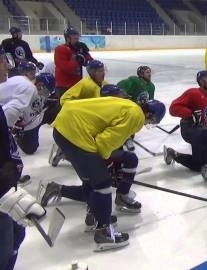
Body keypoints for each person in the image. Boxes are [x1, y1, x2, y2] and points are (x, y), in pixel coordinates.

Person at [47, 94, 164, 251]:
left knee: (91, 180)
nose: (147, 123)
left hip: (65, 126)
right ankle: (104, 233)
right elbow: (104, 143)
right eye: (150, 121)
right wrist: (106, 166)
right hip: (75, 131)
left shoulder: (129, 105)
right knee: (102, 183)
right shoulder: (136, 116)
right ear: (149, 114)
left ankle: (95, 217)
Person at [0, 46, 46, 270]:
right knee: (8, 241)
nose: (6, 66)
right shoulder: (28, 87)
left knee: (16, 234)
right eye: (2, 61)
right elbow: (10, 113)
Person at [164, 71, 207, 184]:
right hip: (190, 129)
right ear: (201, 81)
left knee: (197, 165)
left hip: (205, 133)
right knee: (206, 134)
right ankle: (206, 168)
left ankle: (173, 154)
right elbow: (173, 108)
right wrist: (190, 113)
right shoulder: (193, 93)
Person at [49, 59, 106, 166]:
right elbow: (64, 99)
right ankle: (64, 153)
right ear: (92, 73)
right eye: (99, 71)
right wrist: (80, 109)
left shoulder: (101, 84)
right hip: (76, 118)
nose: (102, 73)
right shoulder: (86, 84)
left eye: (103, 70)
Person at [117, 65, 156, 151]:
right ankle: (127, 138)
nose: (150, 74)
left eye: (150, 72)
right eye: (147, 72)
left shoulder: (151, 86)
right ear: (141, 74)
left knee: (134, 123)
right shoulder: (134, 81)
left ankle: (128, 136)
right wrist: (124, 97)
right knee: (127, 122)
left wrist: (148, 114)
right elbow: (119, 86)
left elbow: (150, 101)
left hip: (137, 108)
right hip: (127, 107)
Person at [54, 26, 93, 98]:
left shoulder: (78, 48)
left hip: (77, 84)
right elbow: (65, 68)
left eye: (77, 36)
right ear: (68, 38)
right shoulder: (60, 49)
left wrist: (86, 56)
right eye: (74, 36)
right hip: (64, 86)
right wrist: (77, 60)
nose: (77, 38)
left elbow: (89, 62)